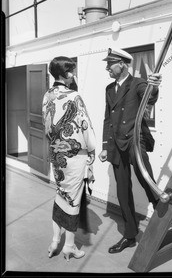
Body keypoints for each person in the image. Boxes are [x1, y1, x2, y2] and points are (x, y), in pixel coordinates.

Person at [99, 48, 162, 254]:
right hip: (116, 145)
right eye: (107, 64)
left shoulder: (138, 83)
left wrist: (154, 84)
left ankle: (164, 214)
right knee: (123, 193)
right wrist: (105, 147)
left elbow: (149, 97)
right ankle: (129, 236)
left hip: (135, 141)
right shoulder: (109, 89)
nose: (107, 67)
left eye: (111, 64)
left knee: (147, 180)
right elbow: (107, 119)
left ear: (123, 65)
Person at [42, 56, 96, 261]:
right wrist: (91, 150)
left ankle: (55, 239)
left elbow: (47, 126)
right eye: (70, 72)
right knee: (73, 200)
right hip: (74, 156)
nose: (73, 75)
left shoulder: (47, 96)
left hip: (56, 154)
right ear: (63, 74)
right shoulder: (74, 97)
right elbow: (86, 128)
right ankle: (70, 246)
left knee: (60, 193)